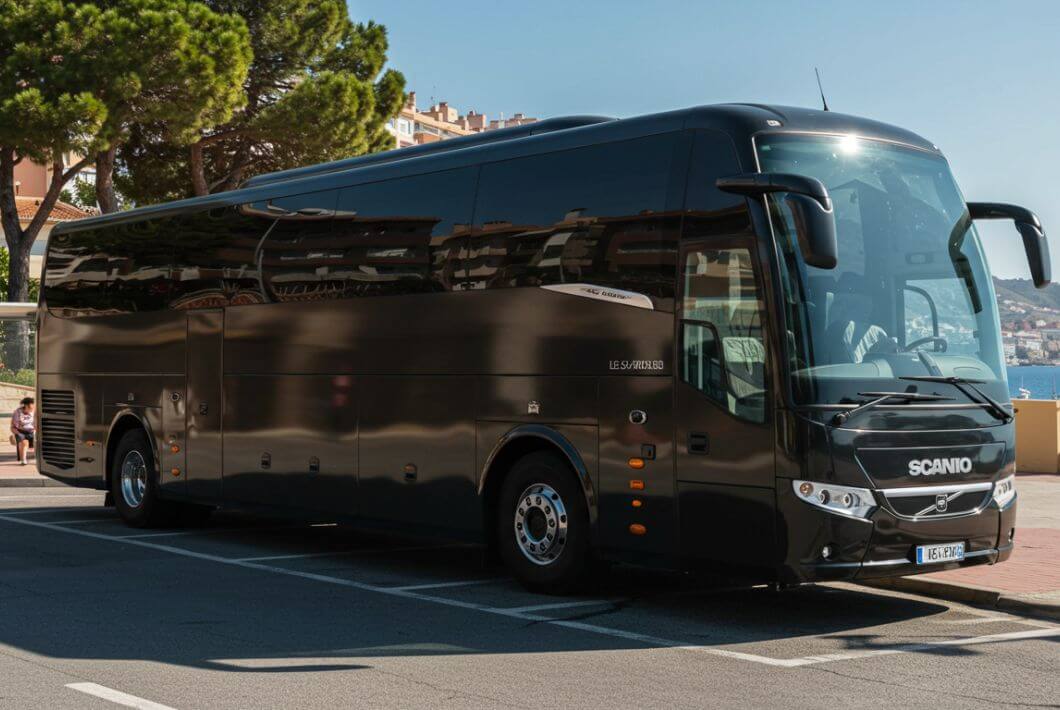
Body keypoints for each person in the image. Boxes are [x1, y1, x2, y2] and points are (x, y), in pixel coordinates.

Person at [10, 396, 35, 465]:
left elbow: (36, 423)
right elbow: (14, 426)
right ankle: (23, 460)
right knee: (24, 442)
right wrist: (18, 432)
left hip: (32, 431)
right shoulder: (17, 412)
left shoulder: (34, 412)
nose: (32, 408)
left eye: (33, 406)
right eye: (30, 407)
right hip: (20, 432)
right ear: (26, 405)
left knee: (40, 441)